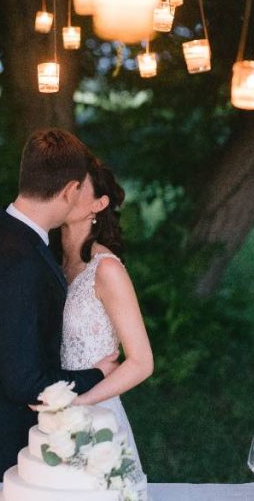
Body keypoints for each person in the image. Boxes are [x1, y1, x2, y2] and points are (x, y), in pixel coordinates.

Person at [0, 129, 120, 483]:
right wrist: (98, 374)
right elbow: (24, 383)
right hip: (1, 441)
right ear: (69, 191)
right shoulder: (24, 263)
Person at [53, 156, 153, 486]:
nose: (65, 191)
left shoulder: (107, 270)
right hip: (47, 416)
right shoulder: (47, 260)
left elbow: (140, 362)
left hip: (95, 420)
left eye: (77, 187)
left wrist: (78, 403)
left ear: (100, 203)